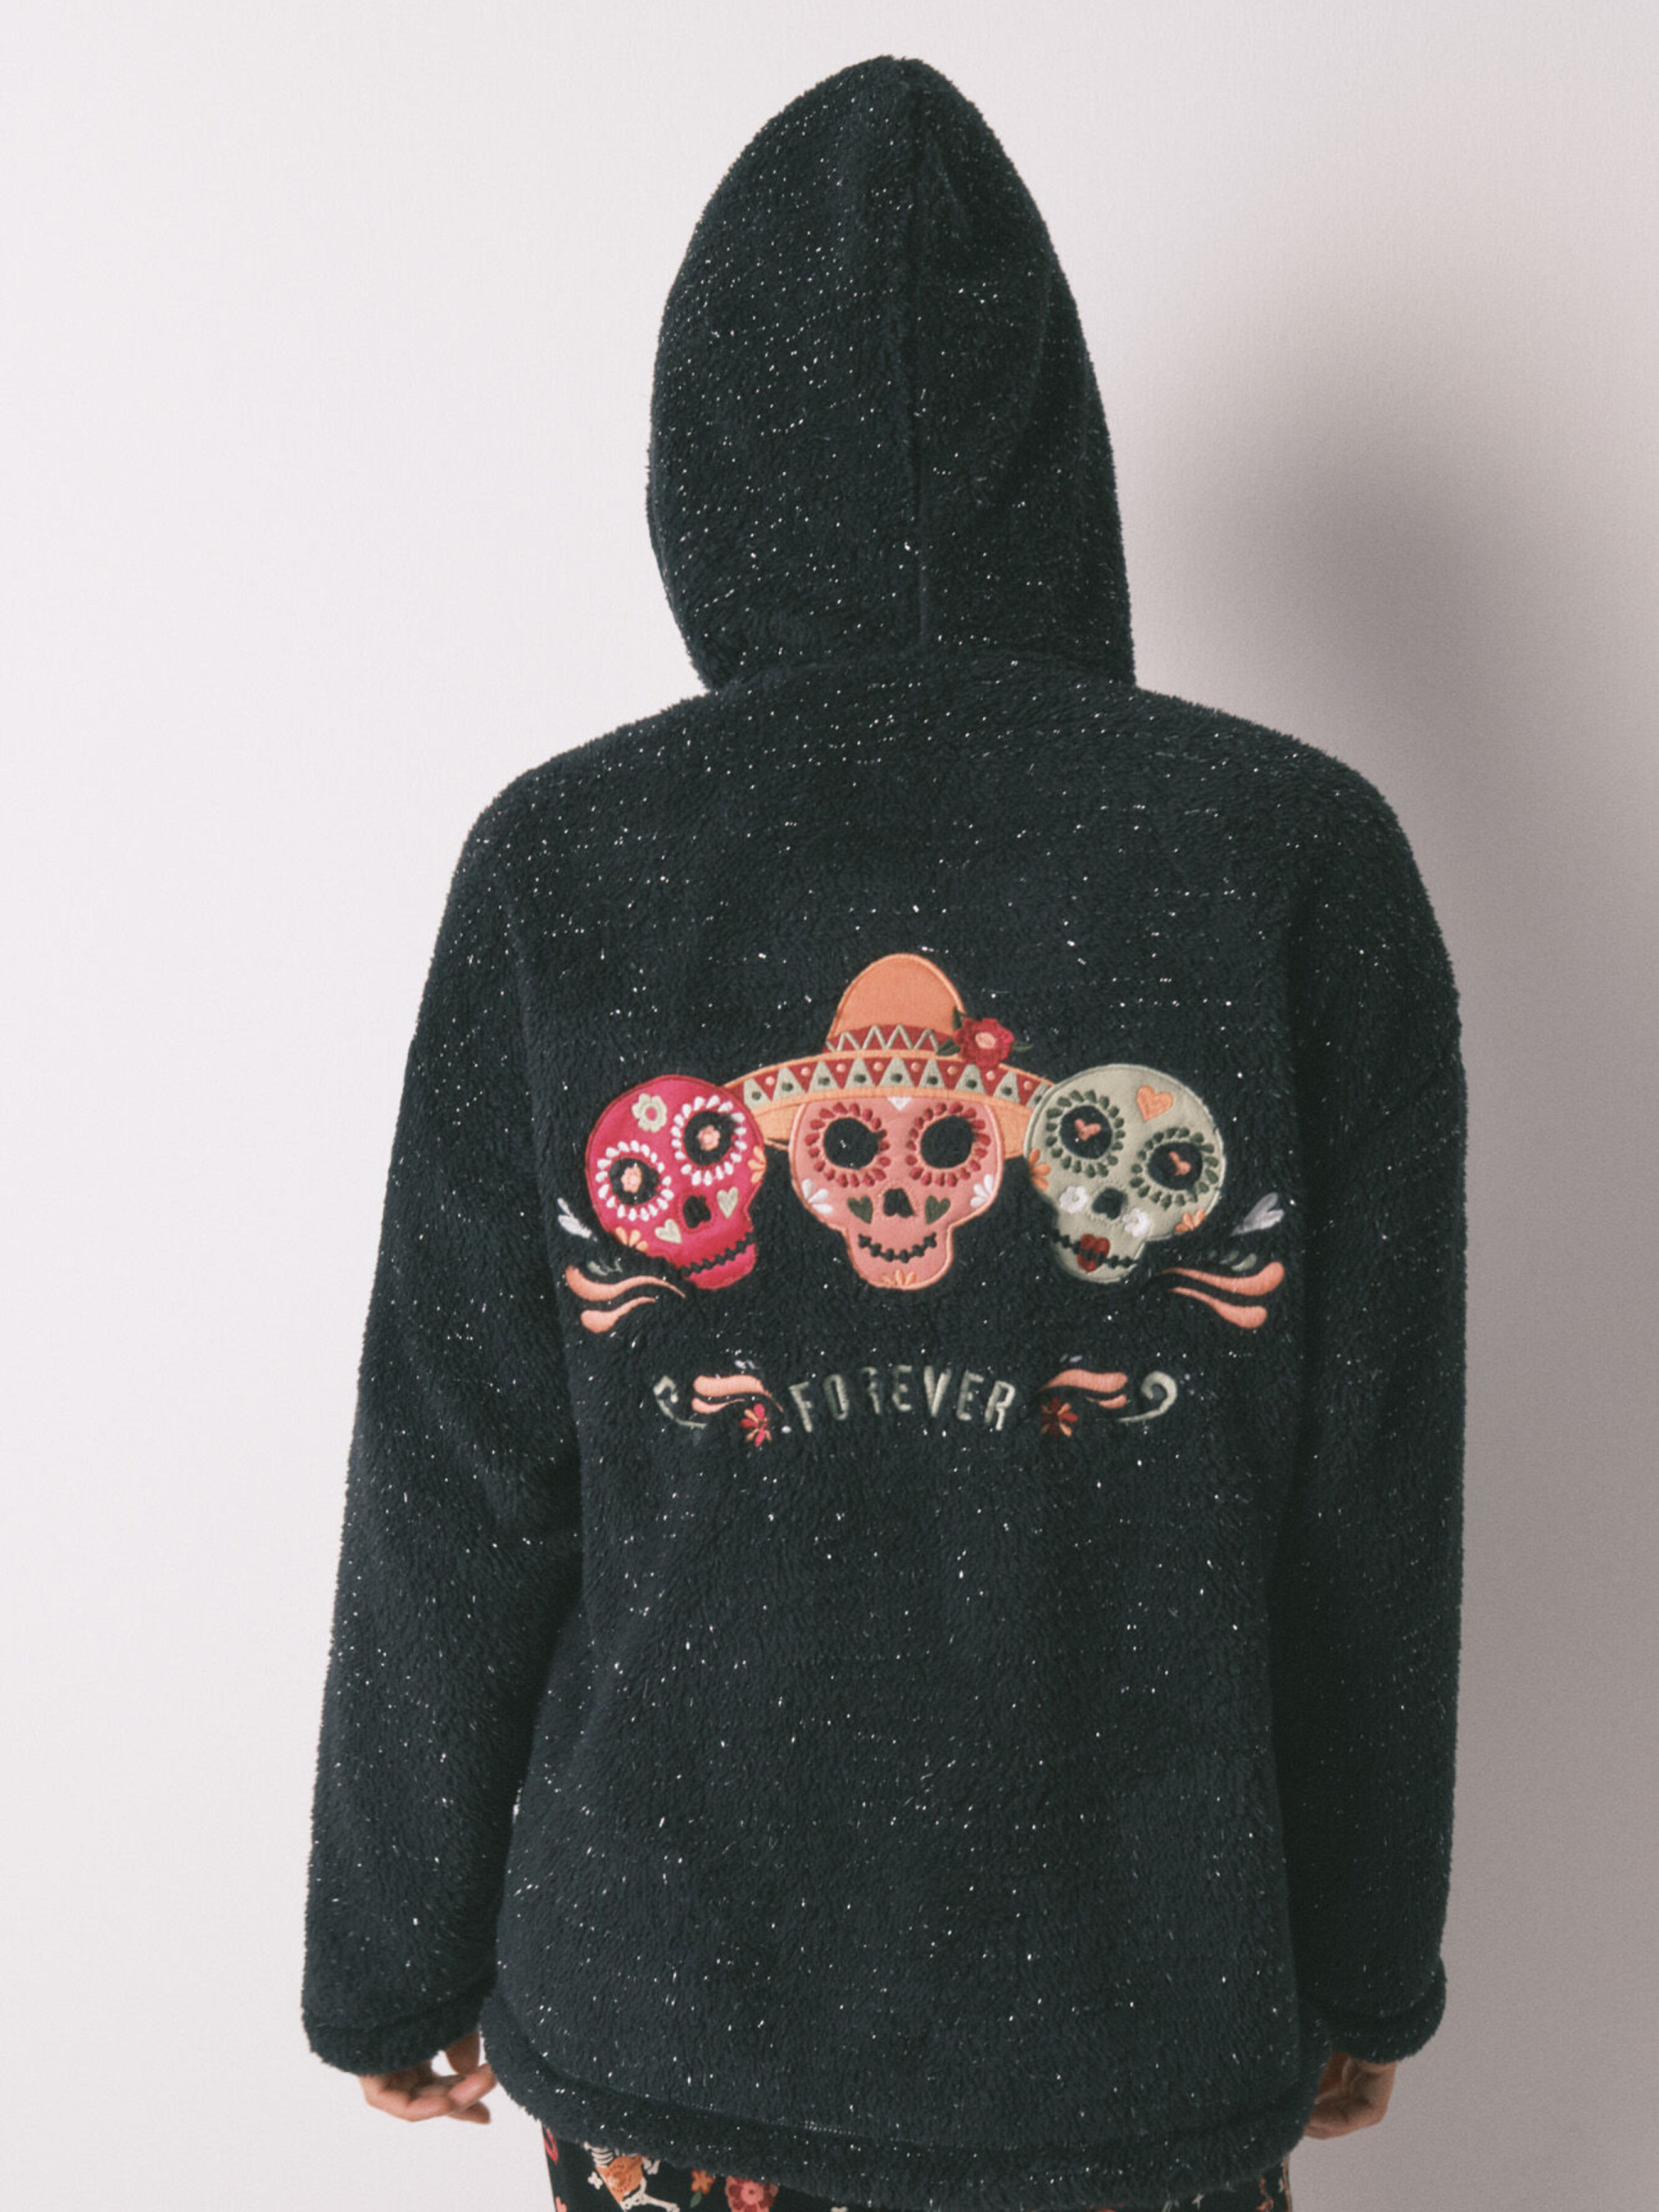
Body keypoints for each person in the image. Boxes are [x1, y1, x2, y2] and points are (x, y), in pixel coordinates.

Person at [302, 54, 1467, 2212]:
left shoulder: (571, 858)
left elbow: (457, 1468)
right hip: (1141, 2023)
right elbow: (1369, 1491)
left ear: (701, 467)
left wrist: (388, 1955)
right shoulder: (1293, 854)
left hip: (671, 2024)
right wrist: (1365, 1961)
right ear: (1062, 457)